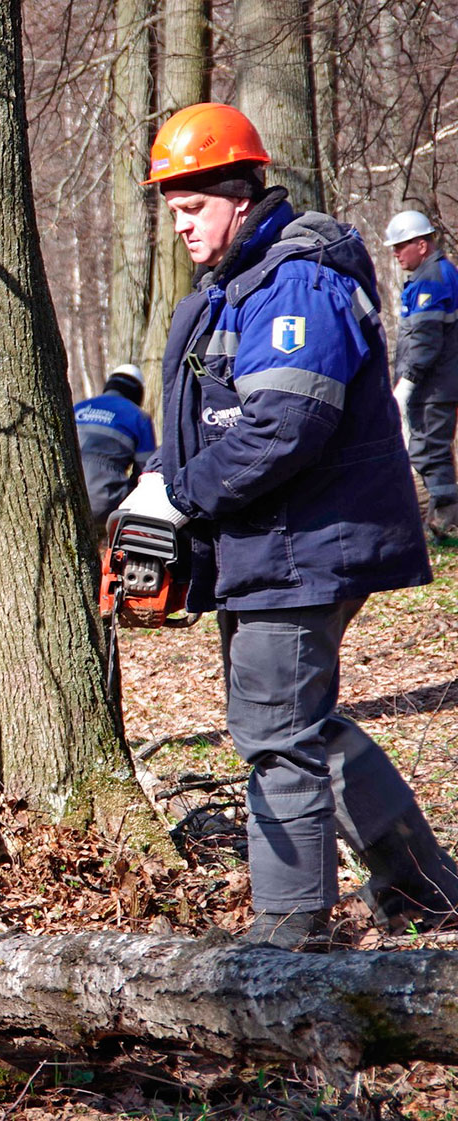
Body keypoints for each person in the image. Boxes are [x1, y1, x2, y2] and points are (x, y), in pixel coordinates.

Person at [120, 102, 458, 949]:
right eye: (172, 212)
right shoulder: (238, 284)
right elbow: (226, 416)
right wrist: (166, 478)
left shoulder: (296, 279)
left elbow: (285, 425)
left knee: (275, 734)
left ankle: (288, 934)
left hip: (303, 546)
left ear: (241, 192)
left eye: (193, 208)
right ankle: (425, 889)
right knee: (308, 726)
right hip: (270, 545)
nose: (183, 227)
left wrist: (183, 495)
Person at [382, 209, 458, 540]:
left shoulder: (432, 280)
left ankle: (444, 524)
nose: (396, 253)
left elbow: (426, 340)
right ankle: (442, 519)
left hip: (434, 386)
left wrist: (407, 383)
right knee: (429, 449)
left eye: (401, 246)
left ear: (422, 245)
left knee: (430, 450)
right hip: (434, 384)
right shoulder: (428, 277)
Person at [73, 363, 157, 527]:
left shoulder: (78, 407)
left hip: (67, 497)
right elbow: (146, 473)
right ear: (138, 392)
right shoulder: (139, 417)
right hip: (105, 504)